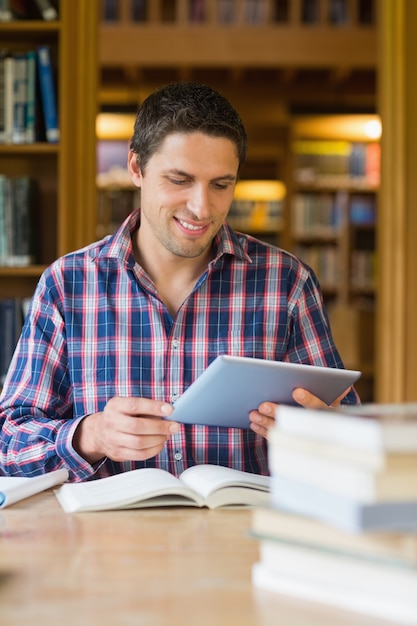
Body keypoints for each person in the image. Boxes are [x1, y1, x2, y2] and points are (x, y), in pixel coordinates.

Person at [0, 82, 358, 481]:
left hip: (245, 538)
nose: (202, 207)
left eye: (221, 185)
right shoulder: (67, 285)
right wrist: (91, 435)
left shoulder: (287, 283)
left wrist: (327, 434)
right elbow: (8, 441)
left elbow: (354, 437)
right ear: (137, 168)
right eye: (179, 180)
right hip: (108, 540)